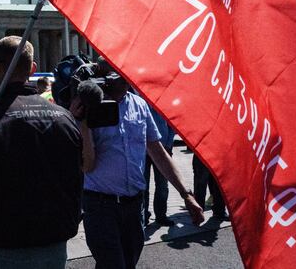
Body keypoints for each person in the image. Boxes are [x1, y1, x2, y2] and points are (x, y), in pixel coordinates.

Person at [0, 36, 83, 268]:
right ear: (32, 68)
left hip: (5, 243)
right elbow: (77, 180)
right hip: (54, 243)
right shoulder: (64, 117)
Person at [72, 75, 205, 269]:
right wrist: (82, 123)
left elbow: (158, 152)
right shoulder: (90, 107)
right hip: (100, 207)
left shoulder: (140, 104)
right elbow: (87, 166)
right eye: (115, 73)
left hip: (134, 207)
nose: (125, 78)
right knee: (113, 265)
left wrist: (186, 194)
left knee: (128, 264)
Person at [193, 154, 227, 220]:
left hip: (218, 153)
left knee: (219, 183)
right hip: (202, 152)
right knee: (200, 184)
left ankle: (219, 211)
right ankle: (198, 212)